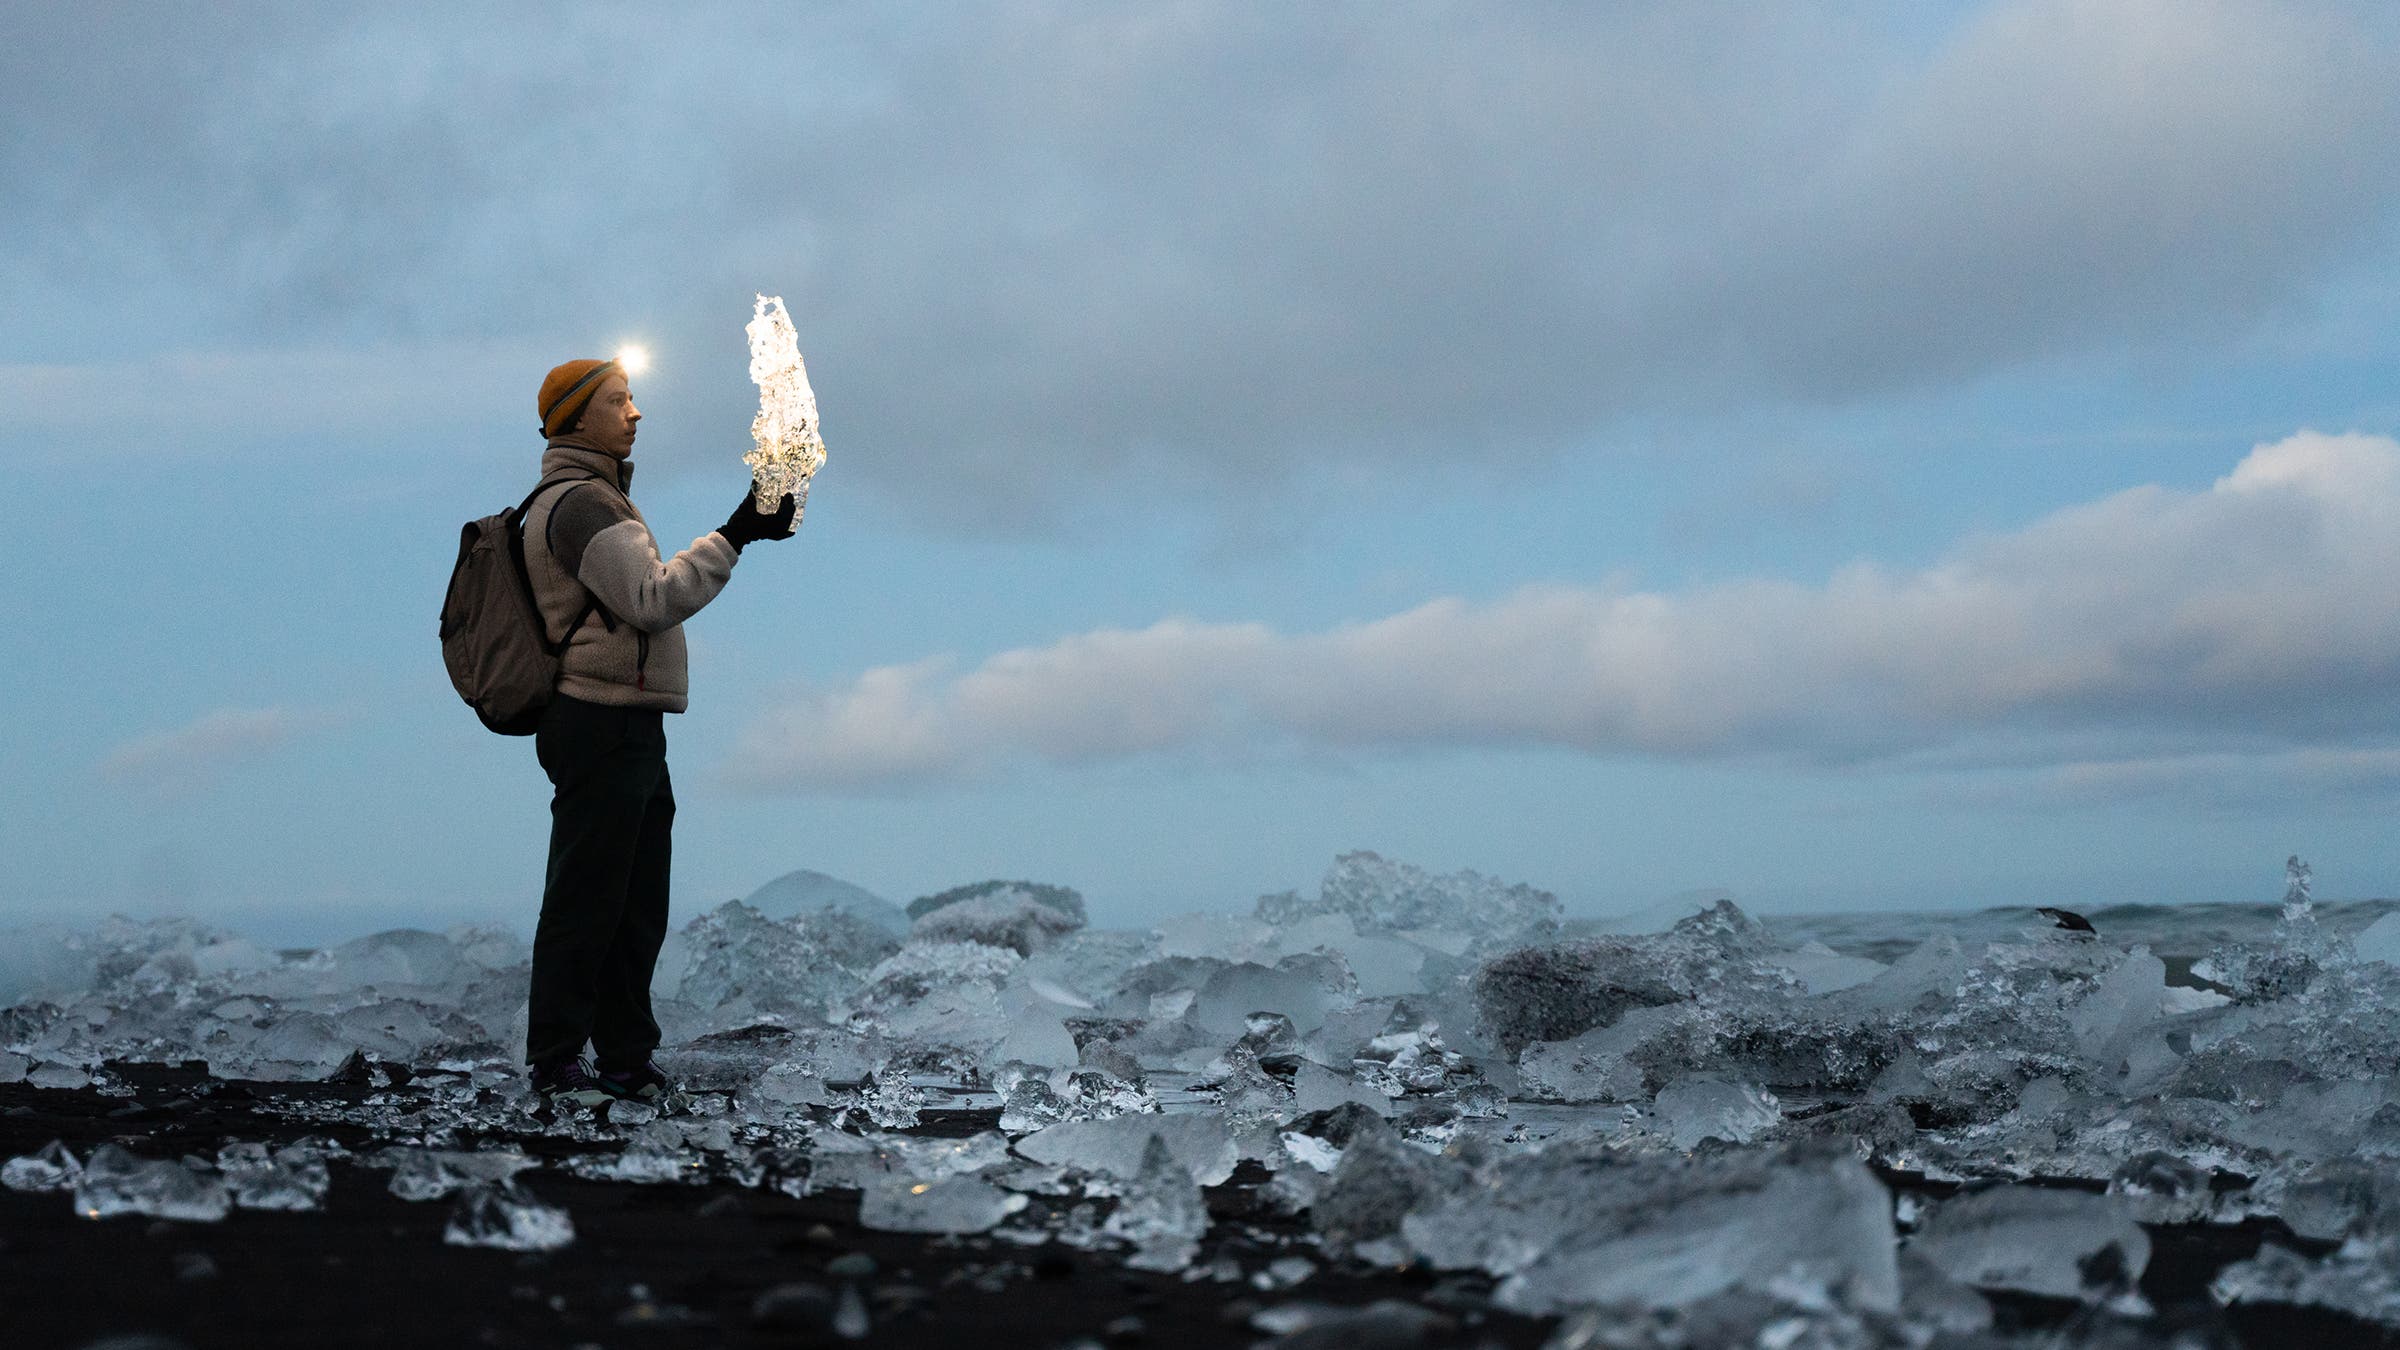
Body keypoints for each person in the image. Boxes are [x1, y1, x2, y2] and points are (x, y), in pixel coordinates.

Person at [518, 356, 797, 1106]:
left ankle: (625, 1060)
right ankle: (555, 1062)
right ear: (576, 419)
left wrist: (749, 530)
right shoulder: (579, 505)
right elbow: (649, 598)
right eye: (620, 400)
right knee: (588, 898)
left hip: (629, 723)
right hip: (598, 721)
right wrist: (738, 530)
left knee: (635, 906)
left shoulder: (602, 498)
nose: (636, 413)